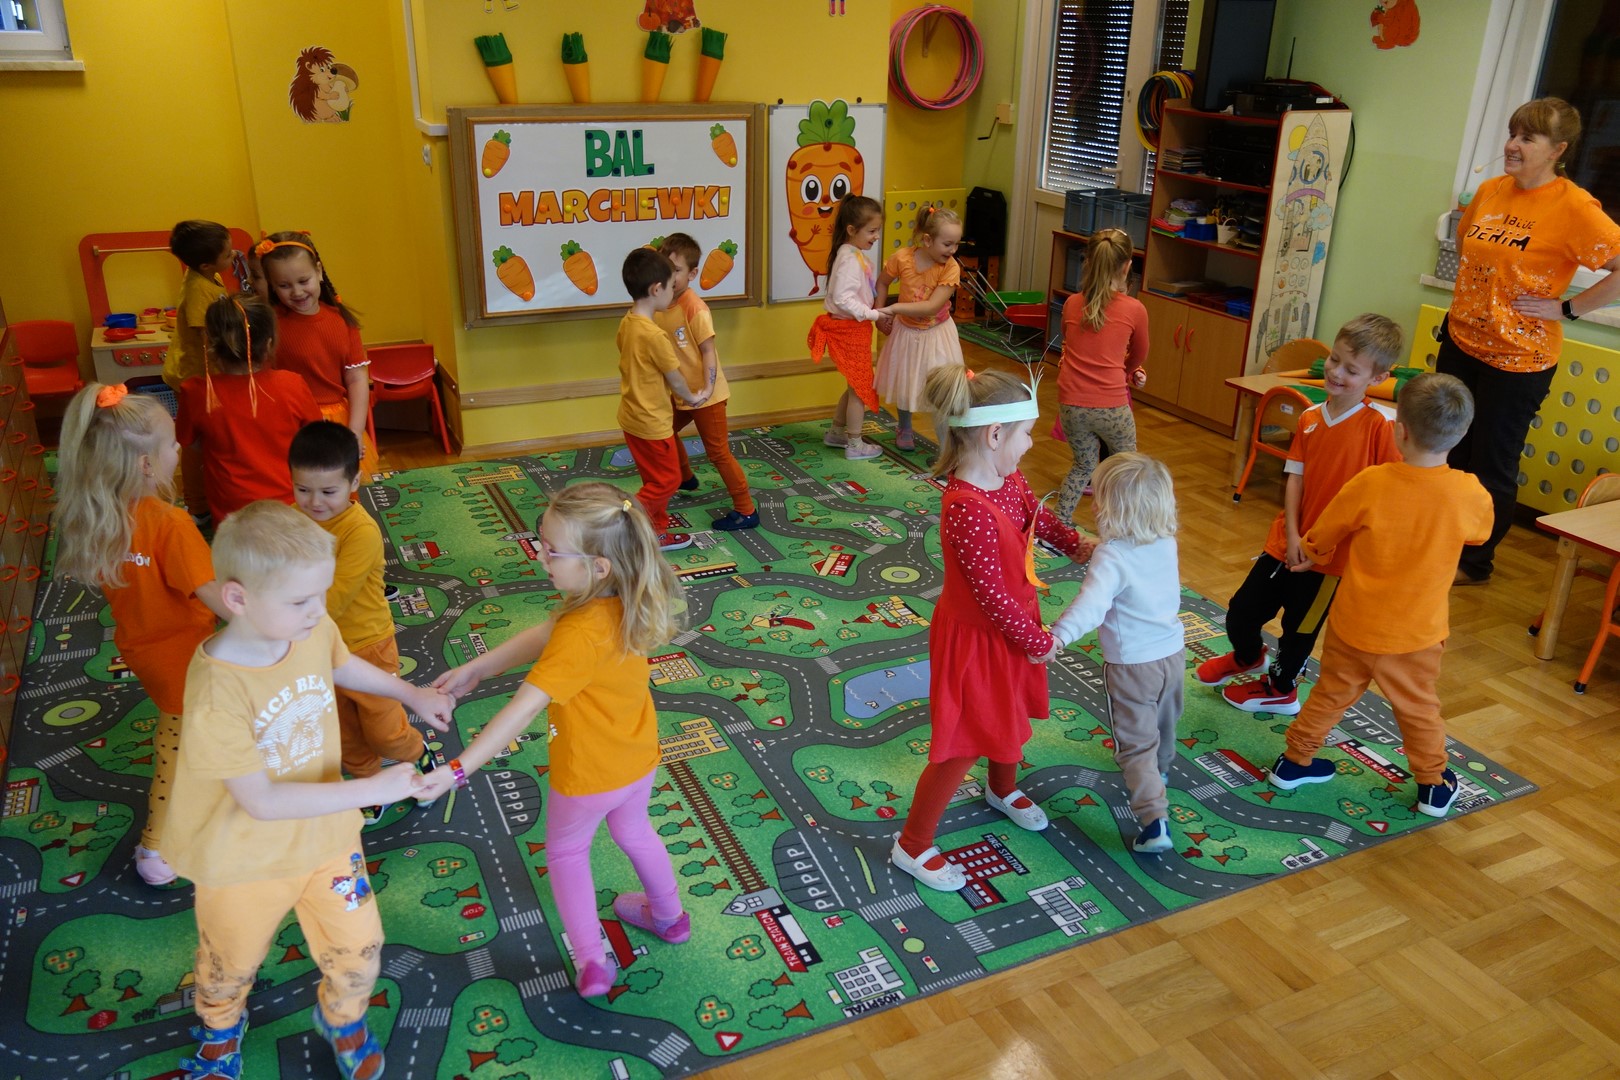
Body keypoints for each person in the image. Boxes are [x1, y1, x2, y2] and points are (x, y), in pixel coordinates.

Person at [164, 501, 451, 1080]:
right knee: (228, 961)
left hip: (325, 839)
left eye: (320, 593)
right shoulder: (218, 692)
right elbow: (261, 801)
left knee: (359, 946)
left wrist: (410, 693)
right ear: (238, 598)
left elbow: (340, 664)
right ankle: (221, 1026)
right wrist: (372, 788)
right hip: (242, 859)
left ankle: (343, 1018)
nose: (319, 610)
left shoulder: (310, 626)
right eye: (301, 600)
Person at [424, 483, 691, 997]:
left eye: (551, 550)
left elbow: (521, 709)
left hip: (587, 774)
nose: (538, 556)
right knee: (635, 831)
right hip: (638, 756)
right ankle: (670, 917)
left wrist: (456, 769)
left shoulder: (579, 632)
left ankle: (592, 960)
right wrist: (479, 667)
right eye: (540, 542)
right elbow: (544, 633)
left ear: (597, 565)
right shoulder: (621, 596)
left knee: (567, 852)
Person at [891, 366, 1094, 891]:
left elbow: (1035, 518)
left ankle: (1001, 787)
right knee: (962, 741)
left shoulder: (1008, 479)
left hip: (1014, 624)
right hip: (979, 639)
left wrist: (1076, 544)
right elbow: (990, 597)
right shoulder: (967, 507)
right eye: (1027, 433)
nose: (1031, 444)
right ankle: (911, 844)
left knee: (1009, 712)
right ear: (995, 434)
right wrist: (1036, 642)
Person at [1267, 373, 1492, 817]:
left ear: (1399, 430)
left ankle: (1294, 762)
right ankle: (1433, 785)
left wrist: (1311, 552)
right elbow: (1479, 535)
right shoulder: (1469, 493)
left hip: (1353, 623)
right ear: (1462, 434)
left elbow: (1324, 533)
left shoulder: (1370, 482)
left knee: (1330, 694)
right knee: (1418, 709)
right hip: (1415, 635)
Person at [53, 382, 230, 888]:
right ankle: (156, 847)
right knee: (177, 747)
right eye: (173, 443)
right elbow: (215, 598)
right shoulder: (171, 524)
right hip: (189, 658)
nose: (179, 449)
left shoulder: (104, 516)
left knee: (194, 728)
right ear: (148, 464)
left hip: (142, 652)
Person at [1441, 97, 1620, 586]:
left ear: (1558, 149)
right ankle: (1441, 543)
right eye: (1512, 133)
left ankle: (1474, 562)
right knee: (1449, 454)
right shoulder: (1491, 190)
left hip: (1518, 360)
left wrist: (1568, 308)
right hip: (1461, 341)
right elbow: (1465, 243)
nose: (1512, 145)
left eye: (1527, 137)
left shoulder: (1573, 206)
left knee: (1489, 463)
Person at [1195, 314, 1403, 714]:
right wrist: (1292, 536)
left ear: (1378, 378)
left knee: (1298, 630)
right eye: (1335, 360)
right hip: (1287, 542)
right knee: (1242, 611)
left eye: (1352, 370)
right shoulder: (1309, 418)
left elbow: (1388, 498)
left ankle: (1281, 688)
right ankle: (1248, 656)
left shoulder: (1380, 428)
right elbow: (1295, 479)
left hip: (1330, 560)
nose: (1336, 373)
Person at [290, 420, 438, 820]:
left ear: (354, 482)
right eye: (302, 490)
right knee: (342, 731)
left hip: (366, 645)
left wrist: (279, 614)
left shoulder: (360, 532)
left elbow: (333, 600)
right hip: (316, 648)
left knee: (385, 732)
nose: (315, 502)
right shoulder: (289, 522)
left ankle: (416, 752)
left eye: (328, 492)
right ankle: (367, 783)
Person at [1041, 453, 1183, 853]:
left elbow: (1091, 606)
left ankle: (1154, 819)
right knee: (1165, 721)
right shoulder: (1166, 541)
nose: (1094, 506)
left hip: (1132, 665)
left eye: (1099, 498)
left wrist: (1059, 636)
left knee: (1135, 742)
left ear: (1111, 509)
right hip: (1173, 654)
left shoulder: (1112, 554)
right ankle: (1161, 772)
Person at [176, 295, 322, 524]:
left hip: (232, 518)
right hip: (292, 510)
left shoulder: (195, 392)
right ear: (269, 343)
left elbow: (191, 445)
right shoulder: (292, 384)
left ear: (211, 344)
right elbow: (317, 440)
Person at [257, 231, 380, 484]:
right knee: (298, 488)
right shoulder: (271, 326)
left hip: (337, 423)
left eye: (304, 280)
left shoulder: (341, 321)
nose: (297, 292)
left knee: (341, 490)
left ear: (319, 272)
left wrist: (355, 432)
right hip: (291, 423)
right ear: (272, 285)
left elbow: (357, 379)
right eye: (284, 285)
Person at [654, 232, 759, 530]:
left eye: (676, 270)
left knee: (718, 453)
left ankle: (747, 510)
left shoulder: (694, 308)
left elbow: (708, 352)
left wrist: (708, 389)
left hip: (706, 396)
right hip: (681, 392)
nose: (669, 276)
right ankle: (685, 477)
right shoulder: (660, 304)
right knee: (661, 430)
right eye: (664, 268)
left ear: (692, 273)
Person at [616, 246, 711, 551]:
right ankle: (622, 520)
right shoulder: (655, 335)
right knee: (668, 481)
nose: (673, 292)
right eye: (670, 287)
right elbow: (675, 378)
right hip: (652, 422)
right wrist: (693, 398)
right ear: (657, 289)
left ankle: (656, 531)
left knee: (654, 478)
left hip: (631, 417)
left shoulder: (627, 322)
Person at [1054, 228, 1149, 522]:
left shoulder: (1071, 303)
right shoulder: (1135, 309)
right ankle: (1124, 528)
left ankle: (1058, 526)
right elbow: (1140, 353)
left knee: (1083, 466)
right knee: (1127, 469)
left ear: (1088, 262)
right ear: (1127, 266)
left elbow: (1069, 341)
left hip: (1071, 405)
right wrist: (1126, 372)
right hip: (1112, 406)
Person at [807, 194, 892, 460]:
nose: (877, 236)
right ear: (852, 230)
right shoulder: (849, 259)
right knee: (859, 387)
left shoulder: (852, 254)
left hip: (855, 329)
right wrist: (872, 314)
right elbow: (842, 298)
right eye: (872, 231)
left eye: (878, 230)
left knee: (855, 384)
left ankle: (836, 432)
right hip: (850, 329)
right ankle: (855, 444)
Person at [875, 205, 966, 451]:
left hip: (937, 334)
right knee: (905, 378)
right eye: (947, 244)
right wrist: (879, 312)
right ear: (927, 240)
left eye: (956, 244)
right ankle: (904, 427)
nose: (953, 250)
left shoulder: (950, 268)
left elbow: (931, 307)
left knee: (942, 389)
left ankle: (947, 446)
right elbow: (882, 282)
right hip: (905, 332)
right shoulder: (902, 258)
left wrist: (894, 309)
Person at [166, 219, 235, 528]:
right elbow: (209, 337)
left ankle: (204, 499)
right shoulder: (198, 290)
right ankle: (197, 506)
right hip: (194, 378)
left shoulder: (209, 276)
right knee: (195, 444)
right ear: (207, 263)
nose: (233, 256)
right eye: (228, 254)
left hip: (206, 375)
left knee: (207, 440)